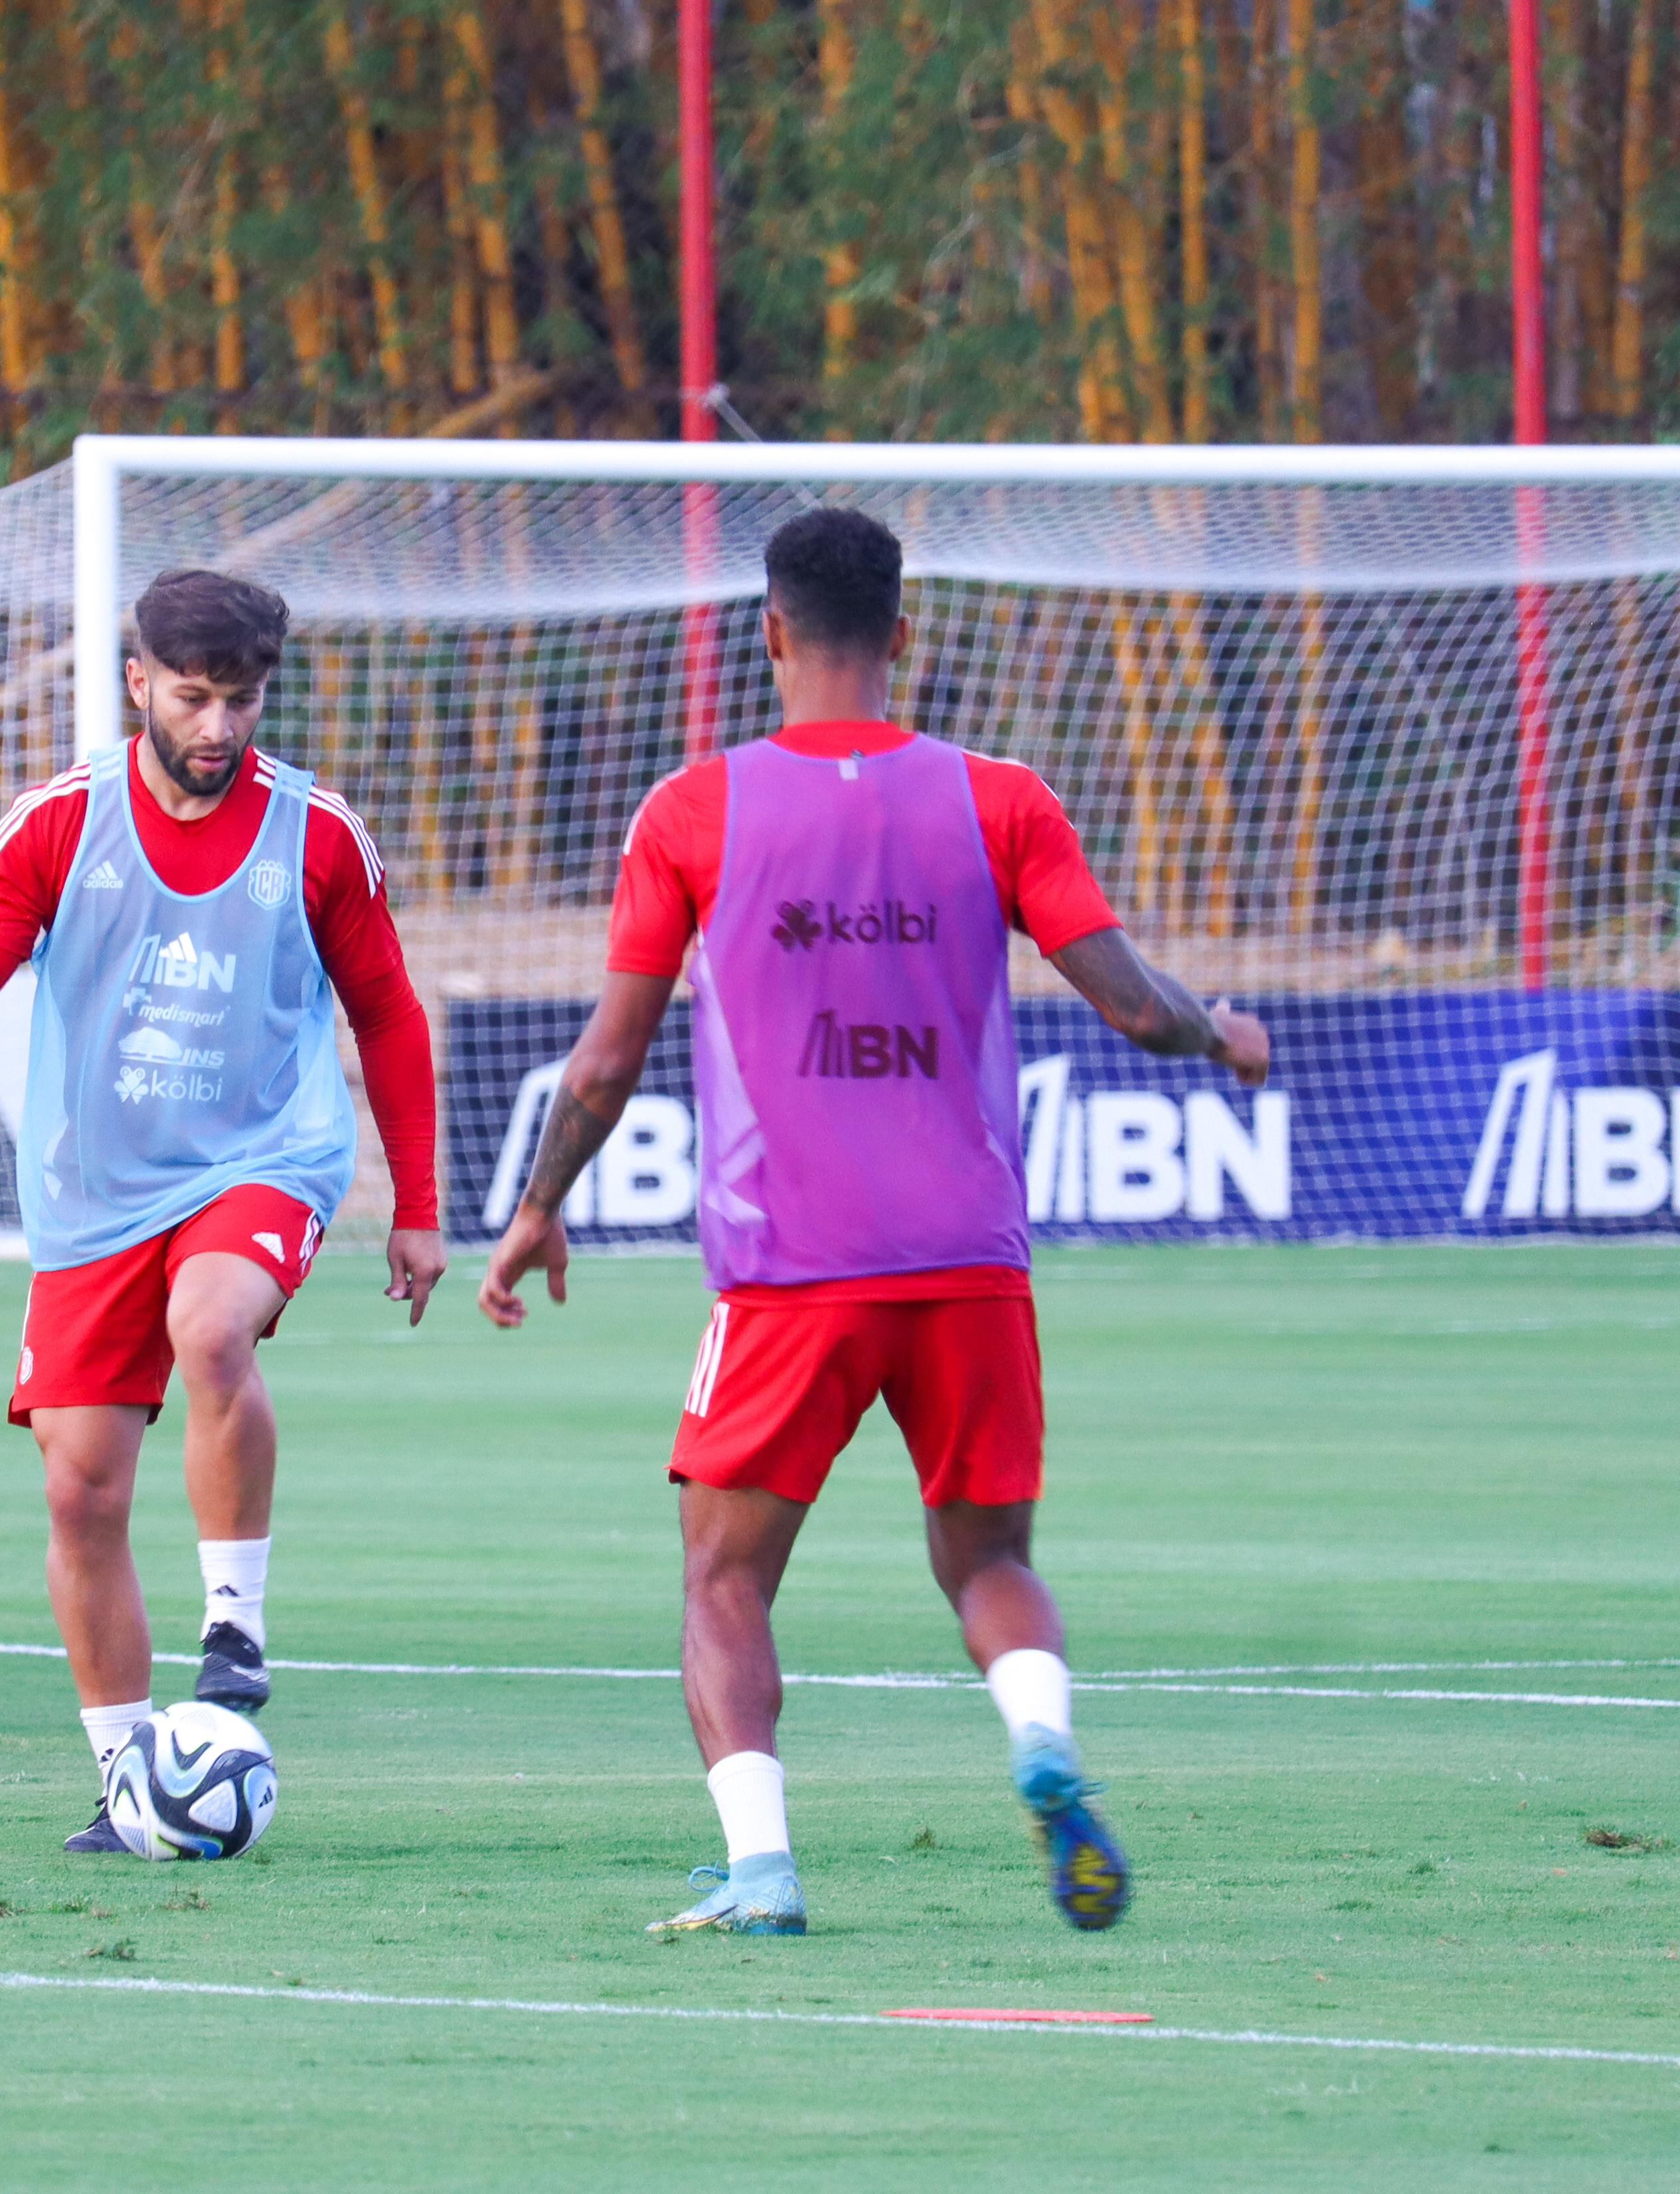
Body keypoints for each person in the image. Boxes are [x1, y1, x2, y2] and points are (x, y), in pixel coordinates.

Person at [478, 507, 1269, 1937]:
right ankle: (1042, 1749)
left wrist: (538, 1209)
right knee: (991, 1560)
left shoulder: (692, 811)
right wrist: (1220, 1034)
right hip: (970, 1263)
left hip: (792, 1273)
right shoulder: (998, 799)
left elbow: (604, 1061)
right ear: (903, 636)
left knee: (723, 1577)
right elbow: (1134, 1005)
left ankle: (764, 1871)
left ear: (768, 631)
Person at [0, 566, 445, 1853]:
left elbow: (390, 1013)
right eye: (194, 699)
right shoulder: (56, 824)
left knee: (213, 1332)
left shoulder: (316, 835)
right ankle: (126, 1784)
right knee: (81, 1494)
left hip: (265, 1155)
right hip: (96, 1194)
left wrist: (418, 1204)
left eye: (241, 702)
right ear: (138, 681)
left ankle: (235, 1629)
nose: (217, 729)